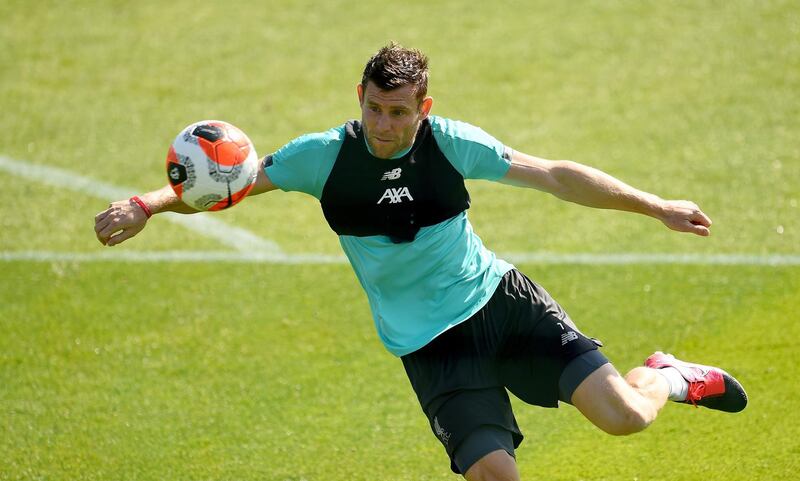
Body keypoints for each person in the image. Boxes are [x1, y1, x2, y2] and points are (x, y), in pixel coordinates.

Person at [94, 43, 747, 481]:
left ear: (423, 108)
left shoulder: (450, 143)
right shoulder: (323, 157)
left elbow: (554, 175)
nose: (382, 124)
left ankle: (669, 374)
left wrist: (656, 204)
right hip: (430, 348)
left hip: (502, 306)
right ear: (359, 96)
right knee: (496, 476)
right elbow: (229, 183)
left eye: (398, 112)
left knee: (624, 418)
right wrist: (146, 204)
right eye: (373, 108)